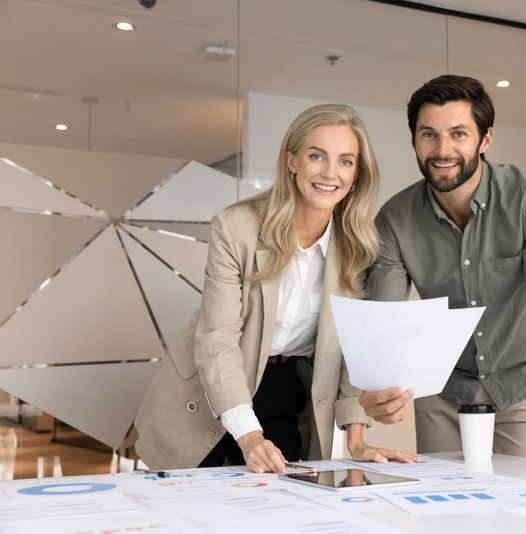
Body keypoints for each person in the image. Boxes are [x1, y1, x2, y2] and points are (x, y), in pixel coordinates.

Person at [360, 75, 526, 472]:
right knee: (446, 511)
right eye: (428, 134)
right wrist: (375, 392)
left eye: (458, 134)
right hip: (443, 391)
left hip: (522, 388)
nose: (442, 149)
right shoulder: (394, 220)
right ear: (414, 140)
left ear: (485, 140)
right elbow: (385, 321)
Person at [134, 104, 418, 473]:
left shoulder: (358, 249)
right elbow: (217, 338)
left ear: (356, 175)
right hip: (210, 386)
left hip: (284, 392)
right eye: (317, 156)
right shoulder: (236, 228)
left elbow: (349, 350)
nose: (330, 173)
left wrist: (356, 439)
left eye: (345, 161)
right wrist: (249, 435)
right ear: (291, 161)